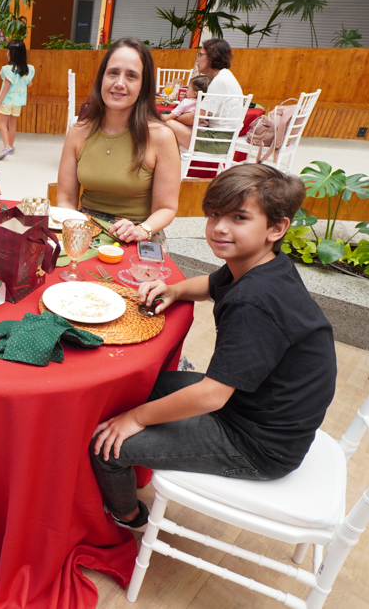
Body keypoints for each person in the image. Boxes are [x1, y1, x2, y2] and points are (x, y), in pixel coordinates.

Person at [90, 163, 336, 531]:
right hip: (248, 405)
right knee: (134, 390)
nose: (220, 227)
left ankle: (125, 517)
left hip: (258, 444)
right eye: (215, 214)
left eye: (239, 217)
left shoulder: (256, 301)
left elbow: (210, 396)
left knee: (107, 446)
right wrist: (173, 289)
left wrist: (136, 419)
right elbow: (211, 284)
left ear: (276, 228)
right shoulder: (258, 266)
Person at [55, 37, 181, 244]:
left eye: (131, 76)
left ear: (143, 85)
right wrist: (76, 228)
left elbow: (165, 208)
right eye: (113, 72)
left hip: (138, 232)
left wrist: (142, 230)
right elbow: (66, 199)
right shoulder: (78, 132)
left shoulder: (161, 136)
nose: (119, 83)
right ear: (102, 78)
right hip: (85, 228)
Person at [163, 38, 244, 154]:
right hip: (221, 137)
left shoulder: (219, 81)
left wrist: (170, 117)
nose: (197, 60)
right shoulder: (225, 76)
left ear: (212, 57)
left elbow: (197, 118)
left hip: (217, 141)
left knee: (167, 125)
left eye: (200, 55)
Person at [0, 39, 35, 160]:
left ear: (12, 54)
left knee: (2, 123)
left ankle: (6, 146)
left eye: (8, 51)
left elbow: (6, 86)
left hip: (7, 101)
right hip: (18, 102)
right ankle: (10, 146)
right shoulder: (28, 69)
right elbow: (30, 84)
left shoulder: (7, 69)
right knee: (13, 124)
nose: (6, 53)